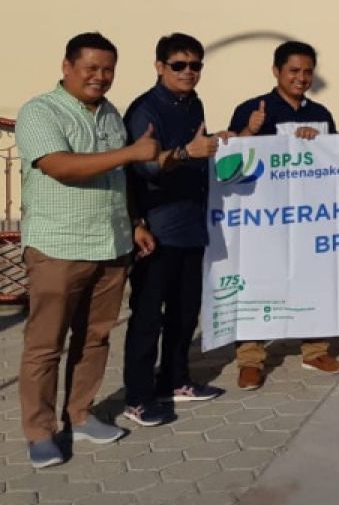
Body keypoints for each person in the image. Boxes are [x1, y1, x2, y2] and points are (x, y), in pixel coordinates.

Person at [15, 32, 158, 468]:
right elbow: (59, 166)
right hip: (58, 246)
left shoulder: (111, 114)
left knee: (95, 338)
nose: (100, 77)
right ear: (67, 67)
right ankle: (40, 431)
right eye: (90, 68)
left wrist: (134, 223)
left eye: (107, 69)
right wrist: (130, 153)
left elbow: (120, 178)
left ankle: (80, 412)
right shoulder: (40, 111)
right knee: (45, 345)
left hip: (110, 244)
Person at [227, 40, 339, 390]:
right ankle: (250, 359)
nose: (301, 78)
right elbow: (230, 161)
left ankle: (315, 351)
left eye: (307, 71)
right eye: (293, 71)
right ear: (276, 72)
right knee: (258, 284)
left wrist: (320, 143)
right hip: (262, 219)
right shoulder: (253, 109)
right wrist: (250, 131)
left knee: (314, 282)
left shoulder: (321, 114)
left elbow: (336, 159)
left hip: (310, 217)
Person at [121, 33, 228, 428]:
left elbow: (198, 149)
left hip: (192, 225)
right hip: (157, 230)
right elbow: (144, 166)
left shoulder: (193, 103)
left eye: (195, 65)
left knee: (185, 313)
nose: (188, 72)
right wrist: (186, 153)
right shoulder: (145, 109)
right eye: (179, 65)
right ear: (159, 66)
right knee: (148, 316)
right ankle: (137, 397)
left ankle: (175, 379)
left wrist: (221, 143)